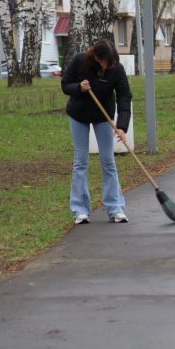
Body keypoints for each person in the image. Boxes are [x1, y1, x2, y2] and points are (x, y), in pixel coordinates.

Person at [61, 39, 132, 224]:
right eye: (104, 63)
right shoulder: (80, 61)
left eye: (111, 63)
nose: (108, 66)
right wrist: (79, 87)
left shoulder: (116, 68)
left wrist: (122, 126)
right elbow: (65, 85)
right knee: (81, 161)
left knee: (108, 161)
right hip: (79, 115)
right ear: (96, 57)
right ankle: (80, 210)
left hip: (103, 117)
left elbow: (124, 97)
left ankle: (115, 208)